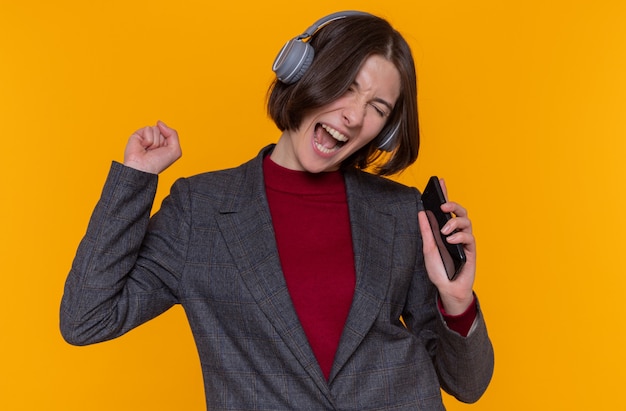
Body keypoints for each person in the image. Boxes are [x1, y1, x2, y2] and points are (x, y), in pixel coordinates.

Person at [60, 10, 494, 410]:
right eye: (346, 87)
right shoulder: (200, 209)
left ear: (386, 130)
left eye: (377, 108)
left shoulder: (400, 212)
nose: (354, 116)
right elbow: (86, 319)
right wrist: (135, 179)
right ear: (302, 71)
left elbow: (467, 384)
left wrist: (458, 302)